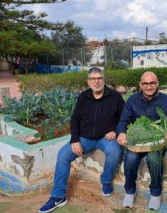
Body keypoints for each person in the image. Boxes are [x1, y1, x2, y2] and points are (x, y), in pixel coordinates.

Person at [39, 67, 125, 213]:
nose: (96, 81)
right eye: (93, 79)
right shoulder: (83, 97)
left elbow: (125, 117)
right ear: (88, 81)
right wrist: (75, 140)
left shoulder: (115, 96)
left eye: (99, 78)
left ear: (104, 80)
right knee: (63, 155)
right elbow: (75, 119)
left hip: (106, 138)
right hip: (84, 138)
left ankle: (105, 181)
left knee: (115, 152)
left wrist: (116, 131)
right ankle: (58, 196)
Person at [116, 71, 167, 211]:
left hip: (157, 142)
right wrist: (121, 133)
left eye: (152, 83)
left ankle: (155, 193)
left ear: (157, 84)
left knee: (154, 159)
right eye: (145, 83)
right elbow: (124, 119)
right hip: (137, 141)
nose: (149, 86)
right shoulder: (132, 100)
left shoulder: (166, 101)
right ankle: (130, 191)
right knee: (130, 158)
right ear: (140, 85)